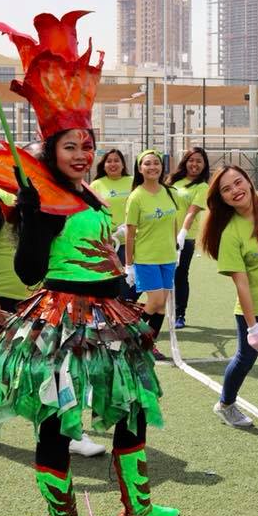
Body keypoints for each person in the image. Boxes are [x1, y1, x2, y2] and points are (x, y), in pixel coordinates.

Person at [0, 11, 179, 516]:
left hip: (110, 316)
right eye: (70, 146)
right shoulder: (45, 199)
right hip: (63, 319)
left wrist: (127, 293)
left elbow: (106, 258)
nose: (82, 153)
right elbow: (30, 271)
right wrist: (32, 216)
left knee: (130, 409)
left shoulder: (90, 195)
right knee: (58, 419)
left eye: (87, 144)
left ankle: (138, 510)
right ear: (50, 150)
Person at [201, 165, 258, 444]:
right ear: (221, 198)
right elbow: (241, 284)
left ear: (249, 182)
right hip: (253, 306)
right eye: (226, 189)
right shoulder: (230, 232)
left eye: (238, 183)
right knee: (245, 358)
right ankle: (226, 403)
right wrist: (252, 327)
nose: (235, 191)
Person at [125, 150, 180, 362]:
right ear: (140, 169)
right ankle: (129, 335)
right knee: (155, 301)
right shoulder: (136, 197)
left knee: (161, 304)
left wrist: (175, 247)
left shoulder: (170, 192)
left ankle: (148, 345)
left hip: (167, 257)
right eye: (147, 164)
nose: (152, 167)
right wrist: (129, 265)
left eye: (156, 163)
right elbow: (130, 233)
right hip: (146, 258)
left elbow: (173, 222)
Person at [169, 146, 211, 328]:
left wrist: (182, 233)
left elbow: (191, 213)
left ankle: (180, 315)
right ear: (185, 162)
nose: (195, 164)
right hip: (164, 235)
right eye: (191, 160)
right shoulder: (173, 181)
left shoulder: (202, 187)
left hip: (185, 238)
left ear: (204, 165)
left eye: (199, 161)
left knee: (180, 275)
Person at [90, 148, 134, 299]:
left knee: (131, 283)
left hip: (130, 241)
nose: (113, 164)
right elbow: (92, 212)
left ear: (123, 164)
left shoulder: (133, 182)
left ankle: (126, 307)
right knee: (110, 283)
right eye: (109, 161)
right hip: (107, 242)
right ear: (103, 165)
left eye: (116, 161)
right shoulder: (96, 185)